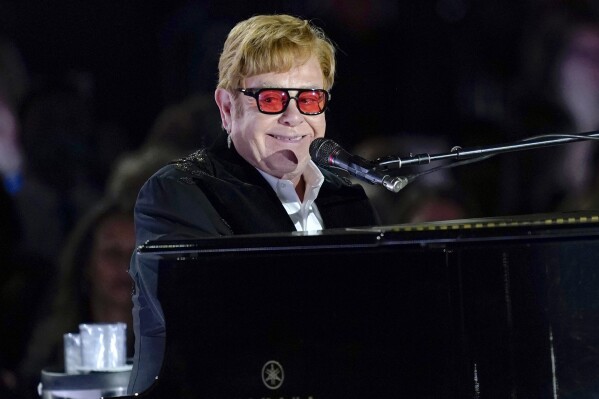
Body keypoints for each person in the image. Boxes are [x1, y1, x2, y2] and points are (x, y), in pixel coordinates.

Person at [128, 14, 379, 394]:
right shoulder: (180, 193)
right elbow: (224, 328)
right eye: (272, 99)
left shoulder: (347, 200)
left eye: (309, 99)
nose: (294, 118)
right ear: (227, 108)